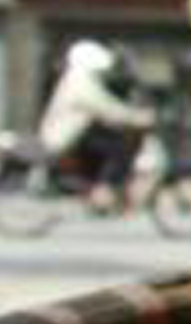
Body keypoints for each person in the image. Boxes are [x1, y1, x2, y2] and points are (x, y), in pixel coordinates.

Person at [38, 40, 156, 209]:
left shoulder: (78, 78)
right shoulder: (80, 81)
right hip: (65, 137)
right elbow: (105, 107)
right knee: (120, 147)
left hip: (73, 134)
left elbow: (100, 109)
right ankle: (104, 189)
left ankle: (103, 190)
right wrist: (138, 117)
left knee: (112, 140)